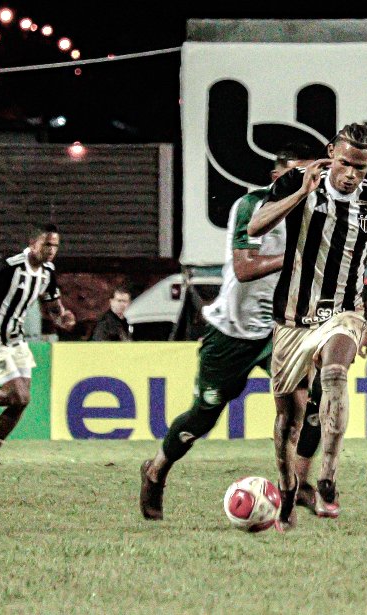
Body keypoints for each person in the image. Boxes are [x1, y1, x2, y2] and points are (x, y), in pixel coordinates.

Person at [247, 123, 367, 530]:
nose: (352, 174)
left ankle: (328, 476)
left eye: (361, 166)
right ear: (330, 152)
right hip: (292, 319)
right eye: (345, 163)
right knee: (288, 419)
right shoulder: (295, 180)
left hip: (344, 311)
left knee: (335, 372)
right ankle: (286, 492)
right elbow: (255, 226)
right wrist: (300, 195)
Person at [139, 146, 317, 520]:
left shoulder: (314, 216)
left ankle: (298, 486)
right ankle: (156, 471)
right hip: (231, 333)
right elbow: (243, 268)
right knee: (203, 417)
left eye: (309, 175)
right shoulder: (250, 207)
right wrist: (296, 257)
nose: (307, 182)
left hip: (280, 331)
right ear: (277, 177)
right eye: (297, 175)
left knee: (306, 404)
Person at [0, 223, 76, 464]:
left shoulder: (47, 272)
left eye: (55, 246)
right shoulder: (9, 265)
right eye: (47, 245)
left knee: (22, 401)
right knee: (18, 397)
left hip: (16, 338)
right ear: (33, 244)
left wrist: (62, 317)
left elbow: (52, 305)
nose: (52, 250)